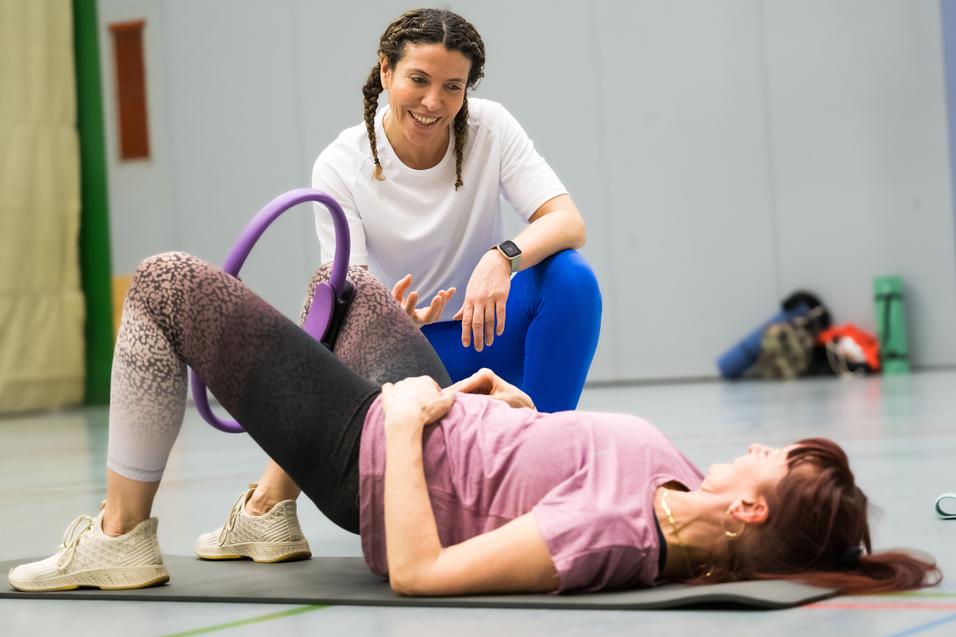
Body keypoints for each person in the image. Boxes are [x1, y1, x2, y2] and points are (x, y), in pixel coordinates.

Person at [8, 253, 939, 595]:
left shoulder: (606, 537)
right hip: (444, 415)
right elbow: (543, 461)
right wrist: (498, 405)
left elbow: (418, 571)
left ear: (747, 515)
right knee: (347, 289)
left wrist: (409, 428)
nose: (756, 445)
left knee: (168, 284)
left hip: (376, 457)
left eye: (769, 460)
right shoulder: (685, 478)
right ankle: (259, 514)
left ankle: (120, 541)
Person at [197, 6, 603, 564]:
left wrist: (501, 257)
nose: (434, 101)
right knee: (330, 303)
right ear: (385, 71)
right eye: (418, 79)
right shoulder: (341, 164)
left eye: (452, 87)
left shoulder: (491, 128)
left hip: (484, 336)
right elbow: (346, 288)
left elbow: (567, 221)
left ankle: (540, 481)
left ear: (468, 91)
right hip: (401, 364)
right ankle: (266, 509)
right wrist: (389, 324)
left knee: (572, 279)